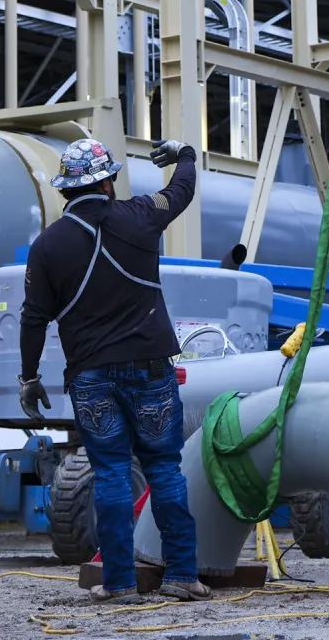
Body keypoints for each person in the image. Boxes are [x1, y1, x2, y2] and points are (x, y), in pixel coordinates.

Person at [18, 136, 209, 604]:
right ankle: (182, 575)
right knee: (165, 469)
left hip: (91, 378)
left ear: (66, 190)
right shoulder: (140, 215)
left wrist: (29, 378)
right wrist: (184, 154)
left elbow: (32, 318)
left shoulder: (46, 246)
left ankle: (120, 583)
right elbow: (182, 189)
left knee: (110, 474)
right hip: (150, 372)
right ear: (107, 182)